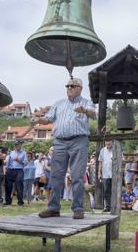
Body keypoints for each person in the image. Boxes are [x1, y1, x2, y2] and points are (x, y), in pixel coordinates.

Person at [34, 78, 96, 220]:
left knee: (77, 176)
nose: (69, 88)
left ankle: (78, 208)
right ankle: (54, 208)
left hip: (79, 141)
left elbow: (94, 114)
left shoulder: (85, 102)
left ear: (80, 88)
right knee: (56, 176)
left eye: (72, 86)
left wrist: (85, 110)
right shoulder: (59, 103)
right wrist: (38, 120)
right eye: (67, 85)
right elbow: (48, 119)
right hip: (60, 142)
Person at [5, 140, 27, 206]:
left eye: (19, 145)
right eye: (16, 145)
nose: (17, 146)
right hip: (10, 170)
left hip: (19, 170)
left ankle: (20, 202)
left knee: (19, 186)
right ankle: (8, 201)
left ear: (21, 145)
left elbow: (25, 163)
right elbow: (9, 161)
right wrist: (6, 169)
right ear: (15, 146)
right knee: (8, 186)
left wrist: (19, 160)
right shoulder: (11, 152)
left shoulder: (24, 153)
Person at [98, 140, 113, 212]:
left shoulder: (116, 149)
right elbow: (100, 162)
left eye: (109, 141)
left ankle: (115, 206)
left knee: (114, 190)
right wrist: (99, 173)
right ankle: (108, 207)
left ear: (112, 142)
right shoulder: (102, 150)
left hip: (115, 174)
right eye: (107, 141)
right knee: (106, 190)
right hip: (105, 174)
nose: (108, 143)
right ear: (105, 143)